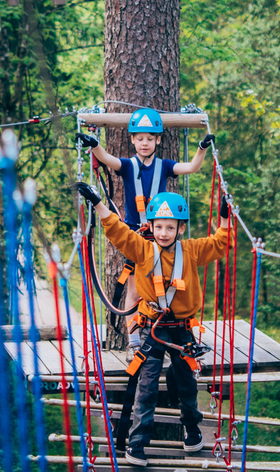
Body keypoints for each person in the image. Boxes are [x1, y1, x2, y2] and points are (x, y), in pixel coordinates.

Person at [74, 183, 233, 467]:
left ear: (180, 229)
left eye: (170, 228)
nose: (163, 233)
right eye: (159, 227)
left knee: (186, 381)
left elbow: (220, 244)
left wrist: (224, 218)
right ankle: (137, 444)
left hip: (182, 329)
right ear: (151, 226)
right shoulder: (143, 249)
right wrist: (98, 203)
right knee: (146, 387)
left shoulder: (192, 250)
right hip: (152, 329)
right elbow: (117, 230)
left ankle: (192, 431)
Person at [76, 108, 215, 360]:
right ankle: (133, 342)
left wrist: (202, 148)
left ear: (158, 141)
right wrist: (95, 144)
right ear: (132, 140)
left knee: (171, 284)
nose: (144, 143)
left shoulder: (165, 166)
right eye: (139, 138)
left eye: (150, 138)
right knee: (134, 290)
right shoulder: (128, 166)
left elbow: (193, 167)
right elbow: (107, 159)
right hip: (137, 238)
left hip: (163, 235)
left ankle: (178, 334)